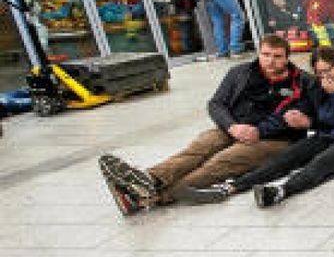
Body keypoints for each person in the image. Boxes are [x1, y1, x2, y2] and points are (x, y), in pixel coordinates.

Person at [98, 34, 317, 216]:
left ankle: (154, 196)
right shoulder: (240, 73)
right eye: (265, 55)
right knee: (200, 147)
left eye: (277, 57)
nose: (270, 61)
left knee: (224, 160)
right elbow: (216, 104)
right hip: (234, 127)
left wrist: (258, 131)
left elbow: (290, 117)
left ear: (288, 57)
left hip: (275, 139)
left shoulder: (303, 82)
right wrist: (232, 127)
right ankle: (150, 179)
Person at [180, 46, 334, 208]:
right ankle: (231, 187)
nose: (325, 77)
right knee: (286, 158)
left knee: (321, 163)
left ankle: (280, 192)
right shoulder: (318, 87)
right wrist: (307, 122)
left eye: (328, 71)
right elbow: (313, 117)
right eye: (319, 73)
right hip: (328, 135)